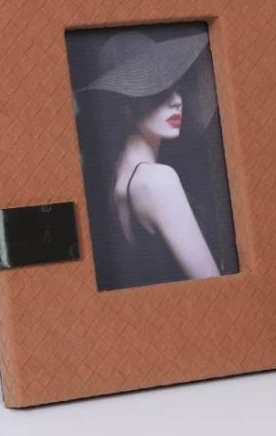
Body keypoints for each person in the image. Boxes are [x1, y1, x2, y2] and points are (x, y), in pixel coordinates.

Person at [74, 26, 224, 290]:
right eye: (158, 90)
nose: (176, 101)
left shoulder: (119, 174)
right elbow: (216, 290)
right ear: (126, 106)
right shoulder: (157, 180)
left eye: (176, 87)